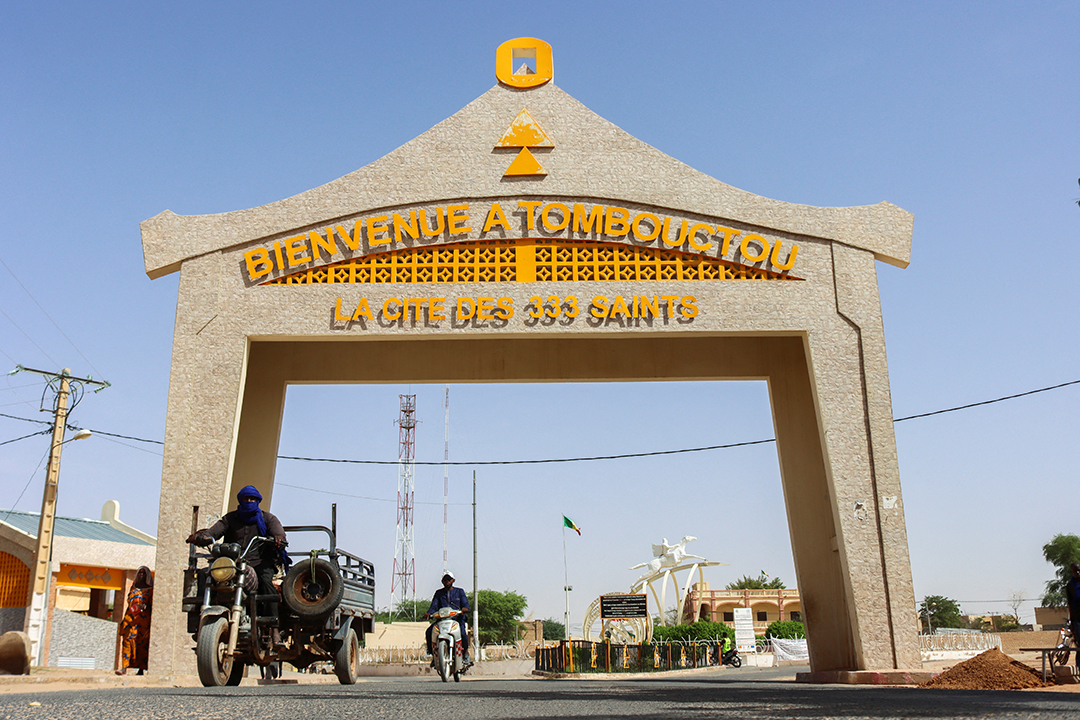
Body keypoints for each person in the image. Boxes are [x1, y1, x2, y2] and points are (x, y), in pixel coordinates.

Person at [186, 486, 290, 635]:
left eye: (252, 499)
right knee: (204, 574)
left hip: (259, 562)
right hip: (231, 563)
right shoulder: (230, 518)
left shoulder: (268, 518)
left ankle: (273, 626)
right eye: (246, 499)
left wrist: (278, 538)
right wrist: (204, 537)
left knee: (266, 582)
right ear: (240, 501)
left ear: (258, 501)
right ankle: (199, 619)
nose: (249, 502)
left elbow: (278, 532)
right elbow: (214, 531)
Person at [424, 571, 471, 665]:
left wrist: (464, 609)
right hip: (442, 620)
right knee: (429, 632)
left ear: (453, 580)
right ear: (442, 581)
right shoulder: (439, 593)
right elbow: (434, 605)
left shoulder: (459, 591)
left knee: (462, 632)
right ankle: (434, 654)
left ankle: (465, 651)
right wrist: (429, 613)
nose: (447, 582)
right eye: (445, 580)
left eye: (449, 579)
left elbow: (465, 603)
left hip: (456, 620)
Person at [116, 566, 153, 675]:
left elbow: (151, 605)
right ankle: (124, 667)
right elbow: (129, 600)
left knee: (141, 645)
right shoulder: (133, 587)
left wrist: (143, 607)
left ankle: (141, 669)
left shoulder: (150, 590)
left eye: (143, 573)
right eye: (140, 573)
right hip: (130, 620)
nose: (141, 575)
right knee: (127, 642)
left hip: (142, 622)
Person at [1067, 562, 1080, 670]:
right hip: (1077, 620)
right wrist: (1072, 623)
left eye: (1079, 570)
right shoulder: (1070, 586)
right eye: (1075, 571)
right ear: (1072, 572)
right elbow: (1070, 605)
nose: (1078, 572)